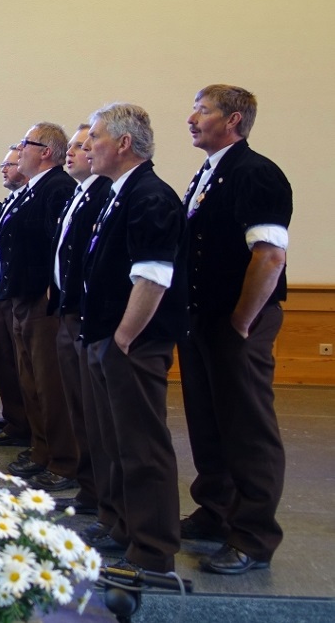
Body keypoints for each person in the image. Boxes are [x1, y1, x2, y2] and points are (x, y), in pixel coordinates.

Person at [178, 84, 291, 575]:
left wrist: (242, 320)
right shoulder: (209, 172)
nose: (191, 118)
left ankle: (253, 536)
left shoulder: (256, 173)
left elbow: (269, 256)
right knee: (208, 420)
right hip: (204, 317)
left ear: (234, 120)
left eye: (202, 111)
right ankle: (215, 511)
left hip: (237, 320)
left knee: (247, 428)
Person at [80, 102, 186, 575]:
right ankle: (123, 525)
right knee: (116, 442)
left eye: (96, 137)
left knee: (142, 448)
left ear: (124, 143)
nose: (88, 145)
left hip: (133, 343)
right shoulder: (119, 192)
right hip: (108, 338)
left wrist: (122, 339)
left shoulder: (150, 196)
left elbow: (153, 278)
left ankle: (152, 550)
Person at [0, 123, 77, 485]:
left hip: (41, 302)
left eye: (25, 143)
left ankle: (64, 461)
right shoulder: (32, 190)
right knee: (30, 381)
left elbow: (58, 245)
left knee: (49, 385)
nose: (20, 148)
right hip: (21, 297)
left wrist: (49, 290)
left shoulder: (57, 187)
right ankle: (42, 449)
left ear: (45, 152)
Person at [49, 125, 112, 511]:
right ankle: (89, 487)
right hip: (68, 309)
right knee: (78, 404)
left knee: (94, 411)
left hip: (88, 315)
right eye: (71, 146)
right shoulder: (80, 192)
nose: (71, 153)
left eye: (81, 146)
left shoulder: (105, 193)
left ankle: (101, 493)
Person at [0, 146, 31, 449]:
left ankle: (26, 424)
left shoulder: (30, 199)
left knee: (20, 363)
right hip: (1, 290)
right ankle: (15, 418)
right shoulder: (10, 201)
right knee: (4, 361)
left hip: (19, 293)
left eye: (10, 164)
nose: (3, 169)